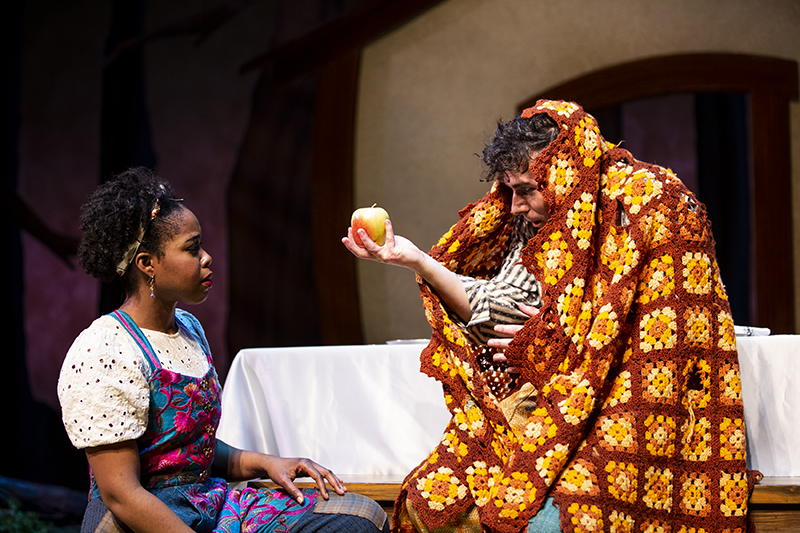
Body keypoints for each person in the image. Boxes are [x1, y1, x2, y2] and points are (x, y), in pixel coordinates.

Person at [344, 100, 756, 533]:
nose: (516, 206)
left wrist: (559, 345)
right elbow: (501, 307)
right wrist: (416, 261)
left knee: (554, 519)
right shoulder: (548, 221)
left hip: (640, 414)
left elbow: (662, 341)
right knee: (428, 500)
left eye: (525, 189)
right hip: (555, 403)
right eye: (510, 190)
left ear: (563, 171)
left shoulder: (650, 202)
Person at [58, 167, 389, 533]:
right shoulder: (106, 349)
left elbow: (189, 449)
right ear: (147, 264)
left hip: (207, 504)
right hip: (142, 519)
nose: (206, 258)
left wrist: (267, 463)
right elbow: (121, 493)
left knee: (358, 519)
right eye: (191, 248)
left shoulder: (189, 329)